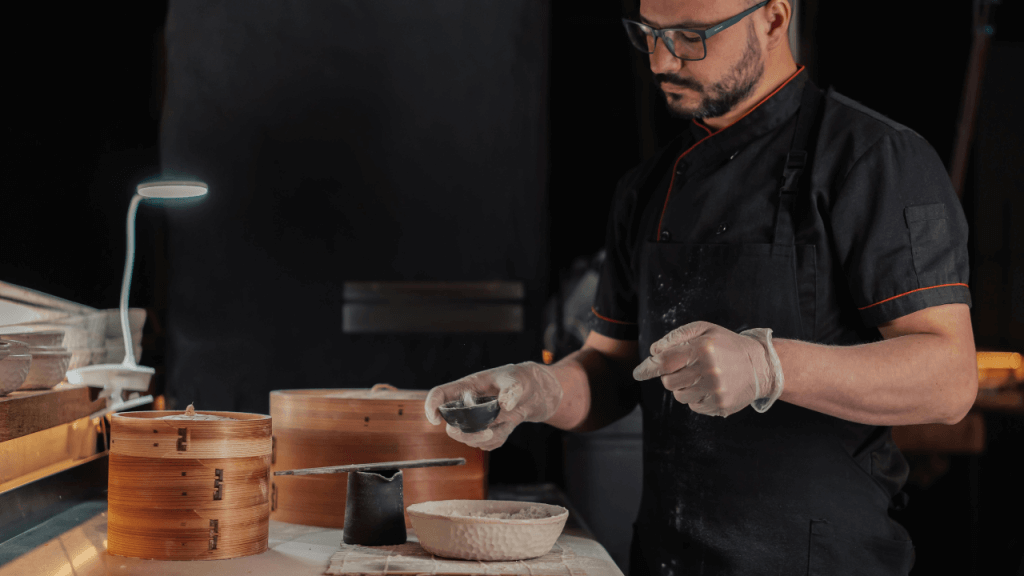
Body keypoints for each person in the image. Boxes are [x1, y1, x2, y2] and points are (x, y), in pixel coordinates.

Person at [424, 0, 977, 574]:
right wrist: (537, 390)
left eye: (691, 35)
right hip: (668, 558)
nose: (662, 60)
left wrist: (768, 366)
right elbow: (612, 372)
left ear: (773, 18)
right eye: (650, 33)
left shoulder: (874, 158)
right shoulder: (648, 186)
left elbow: (949, 379)